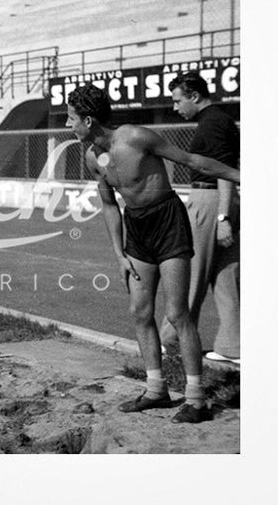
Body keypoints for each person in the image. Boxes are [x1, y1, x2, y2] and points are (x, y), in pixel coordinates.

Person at [65, 84, 240, 424]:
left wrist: (240, 176)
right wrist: (119, 254)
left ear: (88, 119)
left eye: (71, 119)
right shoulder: (91, 157)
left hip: (168, 221)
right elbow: (108, 205)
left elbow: (191, 160)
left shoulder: (134, 137)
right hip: (138, 230)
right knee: (139, 311)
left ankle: (196, 398)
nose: (69, 126)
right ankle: (156, 390)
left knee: (177, 313)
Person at [159, 72, 240, 364]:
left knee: (189, 272)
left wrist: (221, 216)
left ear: (194, 96)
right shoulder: (218, 119)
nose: (175, 107)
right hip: (222, 201)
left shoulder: (213, 123)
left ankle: (171, 341)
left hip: (210, 201)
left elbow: (223, 169)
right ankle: (234, 346)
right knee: (226, 276)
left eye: (178, 100)